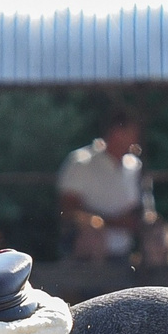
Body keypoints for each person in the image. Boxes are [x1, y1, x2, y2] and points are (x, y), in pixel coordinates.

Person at [55, 111, 148, 262]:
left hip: (127, 249)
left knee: (158, 234)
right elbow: (68, 210)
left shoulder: (136, 167)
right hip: (88, 250)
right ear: (117, 133)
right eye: (133, 134)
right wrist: (106, 222)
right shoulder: (81, 162)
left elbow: (142, 212)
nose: (137, 140)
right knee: (93, 232)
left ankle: (159, 279)